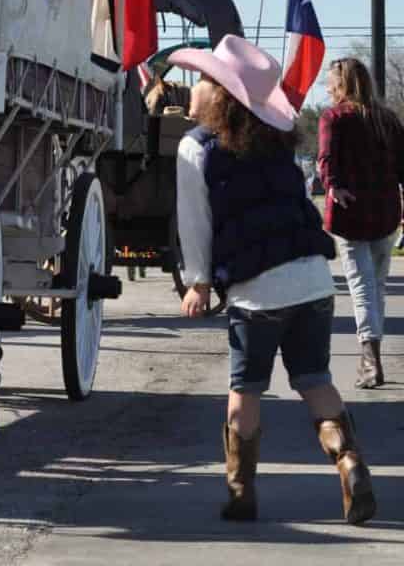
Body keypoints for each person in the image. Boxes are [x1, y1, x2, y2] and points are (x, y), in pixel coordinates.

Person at [172, 35, 375, 526]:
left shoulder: (194, 147)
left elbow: (194, 222)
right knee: (315, 382)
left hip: (256, 291)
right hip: (312, 280)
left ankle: (241, 493)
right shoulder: (274, 137)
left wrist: (198, 283)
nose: (191, 89)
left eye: (201, 80)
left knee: (245, 390)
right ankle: (349, 462)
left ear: (219, 93)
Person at [318, 57, 404, 388]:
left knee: (361, 289)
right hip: (385, 212)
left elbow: (326, 160)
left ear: (342, 86)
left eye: (330, 83)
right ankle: (370, 358)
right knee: (376, 288)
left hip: (349, 213)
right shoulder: (388, 119)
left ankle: (371, 363)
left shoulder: (334, 118)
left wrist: (332, 186)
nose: (326, 89)